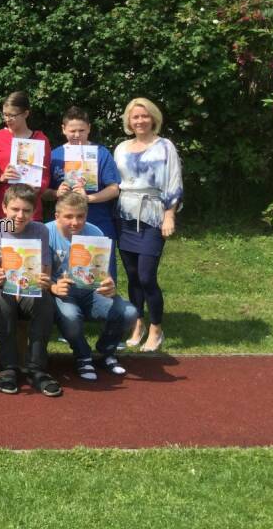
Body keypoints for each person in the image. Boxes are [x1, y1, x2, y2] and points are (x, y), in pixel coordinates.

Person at [114, 97, 183, 353]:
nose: (140, 121)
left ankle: (156, 328)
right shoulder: (121, 148)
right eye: (135, 117)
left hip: (153, 215)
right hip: (124, 216)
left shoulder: (165, 147)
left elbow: (174, 184)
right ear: (128, 121)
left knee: (146, 276)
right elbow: (114, 182)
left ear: (153, 118)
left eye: (144, 116)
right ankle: (137, 324)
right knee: (132, 276)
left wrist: (169, 215)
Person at [0, 184, 62, 397]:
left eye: (26, 210)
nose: (20, 215)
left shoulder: (40, 230)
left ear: (33, 211)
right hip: (4, 289)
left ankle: (37, 369)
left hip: (30, 290)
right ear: (4, 207)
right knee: (1, 300)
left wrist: (44, 279)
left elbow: (44, 269)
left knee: (44, 300)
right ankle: (8, 367)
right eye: (15, 209)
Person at [47, 192, 137, 380]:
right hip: (63, 293)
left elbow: (103, 271)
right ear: (57, 216)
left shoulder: (95, 232)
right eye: (69, 216)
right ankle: (83, 356)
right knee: (70, 317)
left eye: (80, 216)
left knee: (129, 313)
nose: (75, 222)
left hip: (91, 290)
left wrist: (109, 284)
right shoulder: (46, 233)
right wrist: (53, 286)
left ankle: (106, 352)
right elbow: (38, 275)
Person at [44, 106, 121, 280]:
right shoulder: (54, 155)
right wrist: (56, 193)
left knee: (101, 272)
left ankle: (104, 305)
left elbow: (114, 189)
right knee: (66, 271)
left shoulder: (101, 153)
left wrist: (89, 198)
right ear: (63, 129)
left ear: (89, 129)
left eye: (82, 130)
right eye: (72, 131)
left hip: (98, 220)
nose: (77, 135)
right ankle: (68, 304)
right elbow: (43, 192)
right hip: (65, 225)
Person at [0, 91, 52, 223]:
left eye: (13, 115)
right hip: (1, 210)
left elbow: (45, 175)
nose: (7, 119)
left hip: (30, 211)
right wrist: (1, 177)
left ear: (26, 114)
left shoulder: (40, 139)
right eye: (5, 114)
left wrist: (38, 187)